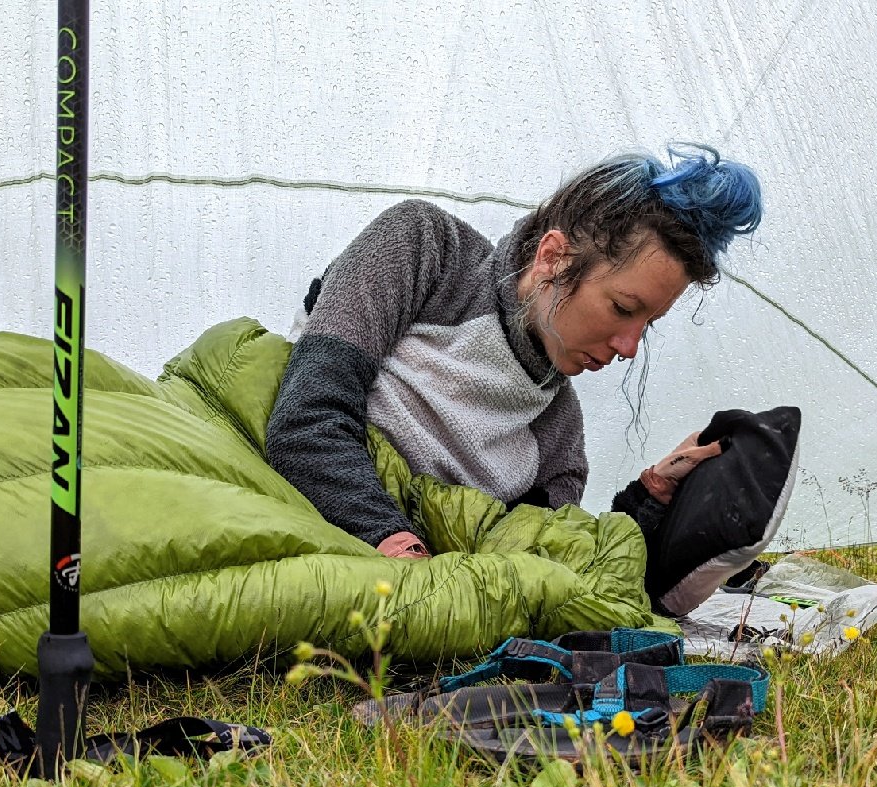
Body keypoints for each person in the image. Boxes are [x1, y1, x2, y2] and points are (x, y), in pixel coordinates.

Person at [266, 143, 762, 560]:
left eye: (648, 325)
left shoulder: (557, 439)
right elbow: (307, 417)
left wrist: (651, 495)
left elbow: (538, 563)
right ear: (553, 258)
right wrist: (389, 539)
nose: (629, 348)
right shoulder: (423, 250)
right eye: (622, 307)